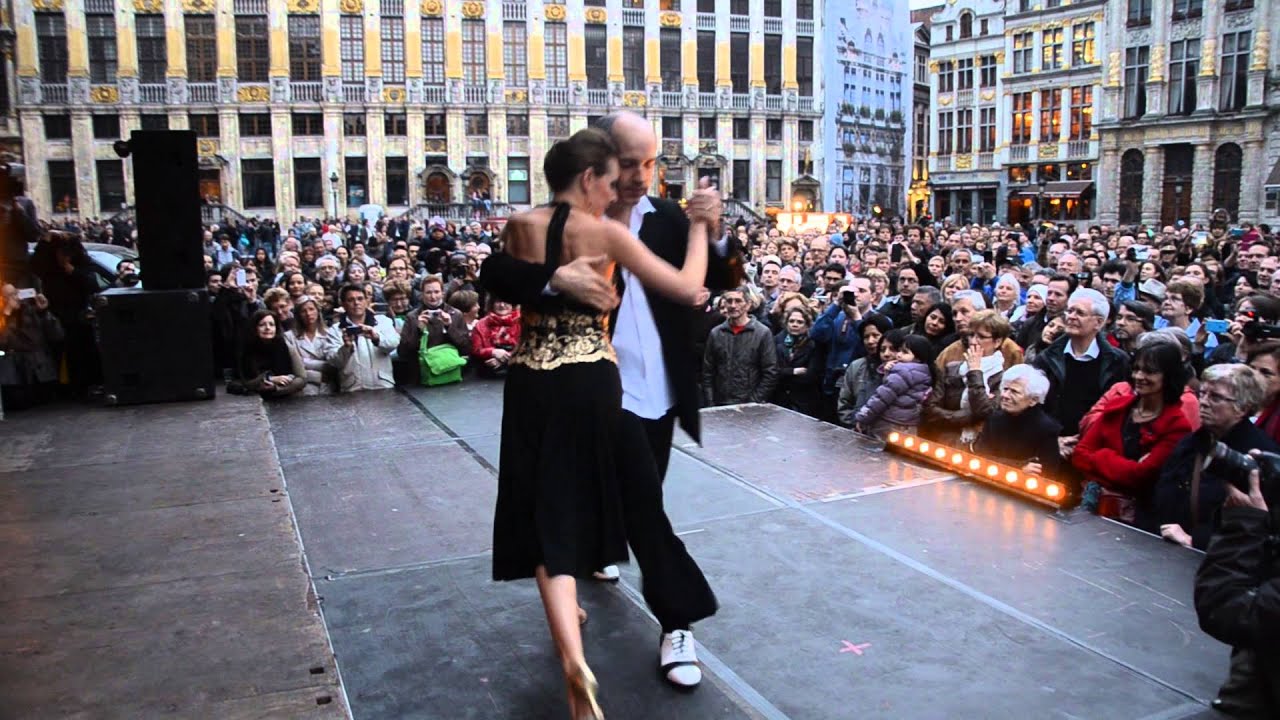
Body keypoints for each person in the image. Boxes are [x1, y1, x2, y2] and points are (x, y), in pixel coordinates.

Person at [487, 126, 718, 719]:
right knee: (568, 511)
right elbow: (496, 273)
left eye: (648, 164)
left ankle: (661, 627)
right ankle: (583, 611)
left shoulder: (653, 215)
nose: (636, 177)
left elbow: (713, 281)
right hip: (596, 384)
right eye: (624, 168)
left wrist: (705, 227)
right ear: (596, 172)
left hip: (598, 386)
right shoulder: (603, 228)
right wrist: (552, 277)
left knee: (605, 510)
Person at [1144, 363, 1276, 551]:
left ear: (1242, 407)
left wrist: (1195, 540)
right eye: (1203, 394)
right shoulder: (1189, 443)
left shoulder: (1258, 457)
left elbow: (1255, 526)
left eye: (1215, 397)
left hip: (1217, 560)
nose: (1204, 402)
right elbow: (1161, 494)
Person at [1071, 342, 1193, 523]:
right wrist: (1124, 464)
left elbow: (1142, 477)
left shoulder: (1177, 426)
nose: (1139, 376)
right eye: (1136, 369)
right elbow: (1080, 455)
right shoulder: (1117, 408)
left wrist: (1100, 456)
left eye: (1149, 371)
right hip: (1094, 507)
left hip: (1139, 520)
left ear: (1168, 376)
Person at [1033, 289, 1131, 451]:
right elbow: (1034, 406)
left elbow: (1118, 413)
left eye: (1080, 313)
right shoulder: (1047, 358)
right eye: (1070, 311)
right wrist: (1051, 440)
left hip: (1094, 448)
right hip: (1049, 445)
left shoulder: (1118, 362)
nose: (1071, 316)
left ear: (1099, 322)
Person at [924, 310, 1010, 448]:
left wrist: (975, 371)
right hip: (943, 441)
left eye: (981, 337)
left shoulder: (1003, 378)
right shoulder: (952, 368)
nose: (973, 341)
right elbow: (931, 411)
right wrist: (970, 417)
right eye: (971, 335)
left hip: (977, 447)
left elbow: (985, 412)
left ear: (997, 341)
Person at [973, 364, 1065, 479]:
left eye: (1014, 392)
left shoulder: (1046, 429)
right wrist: (1018, 467)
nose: (1005, 395)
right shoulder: (994, 420)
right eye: (1005, 389)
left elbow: (1046, 473)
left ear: (1033, 400)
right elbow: (980, 458)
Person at [703, 287, 779, 407]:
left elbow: (770, 372)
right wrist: (711, 401)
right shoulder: (716, 333)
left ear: (748, 305)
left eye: (738, 301)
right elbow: (708, 371)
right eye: (729, 301)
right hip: (720, 404)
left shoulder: (762, 333)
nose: (733, 305)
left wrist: (754, 401)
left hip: (749, 405)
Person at [853, 330, 934, 438]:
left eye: (905, 352)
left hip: (889, 424)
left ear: (918, 357)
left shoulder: (903, 371)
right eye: (899, 350)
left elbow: (882, 397)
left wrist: (863, 417)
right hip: (909, 426)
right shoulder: (923, 372)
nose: (899, 355)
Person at [325, 284, 400, 392]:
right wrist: (346, 348)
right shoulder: (335, 330)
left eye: (360, 299)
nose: (356, 303)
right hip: (352, 388)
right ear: (343, 304)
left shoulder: (383, 321)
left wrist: (376, 338)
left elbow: (394, 343)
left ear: (366, 301)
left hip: (382, 385)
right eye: (351, 300)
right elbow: (333, 361)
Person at [837, 314, 894, 427]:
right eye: (866, 337)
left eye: (875, 335)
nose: (870, 341)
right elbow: (844, 403)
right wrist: (854, 425)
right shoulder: (856, 366)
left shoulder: (899, 368)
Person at [234, 310, 306, 398]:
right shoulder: (246, 350)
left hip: (287, 398)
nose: (267, 328)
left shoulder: (285, 346)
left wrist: (276, 388)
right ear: (254, 328)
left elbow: (301, 378)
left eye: (272, 324)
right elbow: (242, 381)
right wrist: (269, 378)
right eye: (262, 325)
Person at [772, 306, 821, 417]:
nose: (795, 324)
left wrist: (783, 372)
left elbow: (810, 376)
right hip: (779, 399)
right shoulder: (777, 341)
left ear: (807, 325)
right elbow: (773, 371)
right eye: (791, 321)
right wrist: (793, 371)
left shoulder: (814, 345)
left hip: (803, 401)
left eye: (800, 322)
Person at [285, 295, 333, 395]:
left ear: (318, 311)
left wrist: (305, 362)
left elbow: (333, 363)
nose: (308, 314)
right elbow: (294, 367)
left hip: (328, 388)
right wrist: (319, 375)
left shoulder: (330, 334)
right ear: (298, 315)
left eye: (311, 309)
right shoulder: (289, 337)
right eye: (303, 311)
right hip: (303, 390)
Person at [470, 298, 521, 377]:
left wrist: (505, 359)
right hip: (487, 375)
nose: (502, 305)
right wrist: (493, 352)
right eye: (498, 301)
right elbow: (476, 349)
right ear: (492, 304)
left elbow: (527, 347)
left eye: (506, 301)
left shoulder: (522, 322)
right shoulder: (481, 324)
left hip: (517, 372)